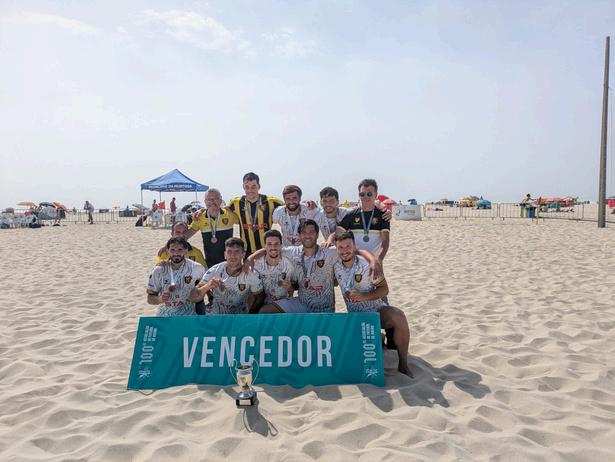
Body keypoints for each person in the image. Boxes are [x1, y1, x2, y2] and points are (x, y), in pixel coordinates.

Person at [248, 219, 382, 314]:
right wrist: (251, 258)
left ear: (317, 235)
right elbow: (271, 248)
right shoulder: (293, 252)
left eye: (311, 232)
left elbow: (354, 250)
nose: (308, 235)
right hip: (301, 304)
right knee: (265, 311)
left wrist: (373, 260)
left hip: (325, 308)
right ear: (299, 236)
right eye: (304, 232)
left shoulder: (329, 252)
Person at [334, 231, 412, 377]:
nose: (345, 251)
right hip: (355, 316)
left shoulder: (368, 265)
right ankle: (379, 337)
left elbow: (384, 289)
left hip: (375, 310)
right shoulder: (335, 266)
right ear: (336, 249)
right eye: (341, 247)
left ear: (354, 246)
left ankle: (403, 363)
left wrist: (364, 297)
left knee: (399, 316)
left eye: (348, 246)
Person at [190, 237, 263, 315]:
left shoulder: (251, 274)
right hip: (216, 315)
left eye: (237, 252)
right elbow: (193, 297)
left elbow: (259, 297)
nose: (233, 255)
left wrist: (250, 315)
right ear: (225, 255)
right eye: (229, 252)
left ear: (243, 254)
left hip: (240, 316)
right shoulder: (215, 270)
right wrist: (208, 286)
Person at [227, 172, 285, 256]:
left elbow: (290, 207)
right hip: (246, 251)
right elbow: (221, 212)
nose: (250, 190)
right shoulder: (235, 203)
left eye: (253, 187)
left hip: (267, 250)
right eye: (247, 187)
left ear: (259, 186)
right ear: (243, 187)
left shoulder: (271, 201)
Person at [146, 237, 206, 316]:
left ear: (186, 251)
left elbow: (206, 287)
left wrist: (199, 295)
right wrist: (160, 299)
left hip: (188, 315)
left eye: (180, 250)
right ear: (167, 251)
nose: (176, 253)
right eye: (172, 250)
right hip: (164, 316)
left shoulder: (196, 268)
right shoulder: (159, 270)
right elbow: (150, 299)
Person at [337, 179, 390, 263]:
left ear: (376, 195)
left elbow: (385, 242)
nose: (365, 197)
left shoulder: (383, 215)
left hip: (374, 262)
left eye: (369, 194)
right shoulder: (351, 214)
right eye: (362, 194)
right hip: (355, 263)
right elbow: (338, 234)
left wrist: (378, 260)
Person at [253, 230, 304, 314]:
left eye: (276, 244)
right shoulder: (257, 265)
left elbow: (295, 286)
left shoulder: (290, 264)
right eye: (269, 244)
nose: (273, 247)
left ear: (281, 245)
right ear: (265, 246)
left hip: (283, 303)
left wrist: (290, 288)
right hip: (263, 301)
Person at [186, 188, 239, 268]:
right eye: (209, 199)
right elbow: (186, 236)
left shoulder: (229, 214)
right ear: (205, 201)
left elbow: (244, 222)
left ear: (221, 200)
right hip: (210, 263)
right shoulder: (200, 217)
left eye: (216, 199)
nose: (212, 202)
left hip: (229, 263)